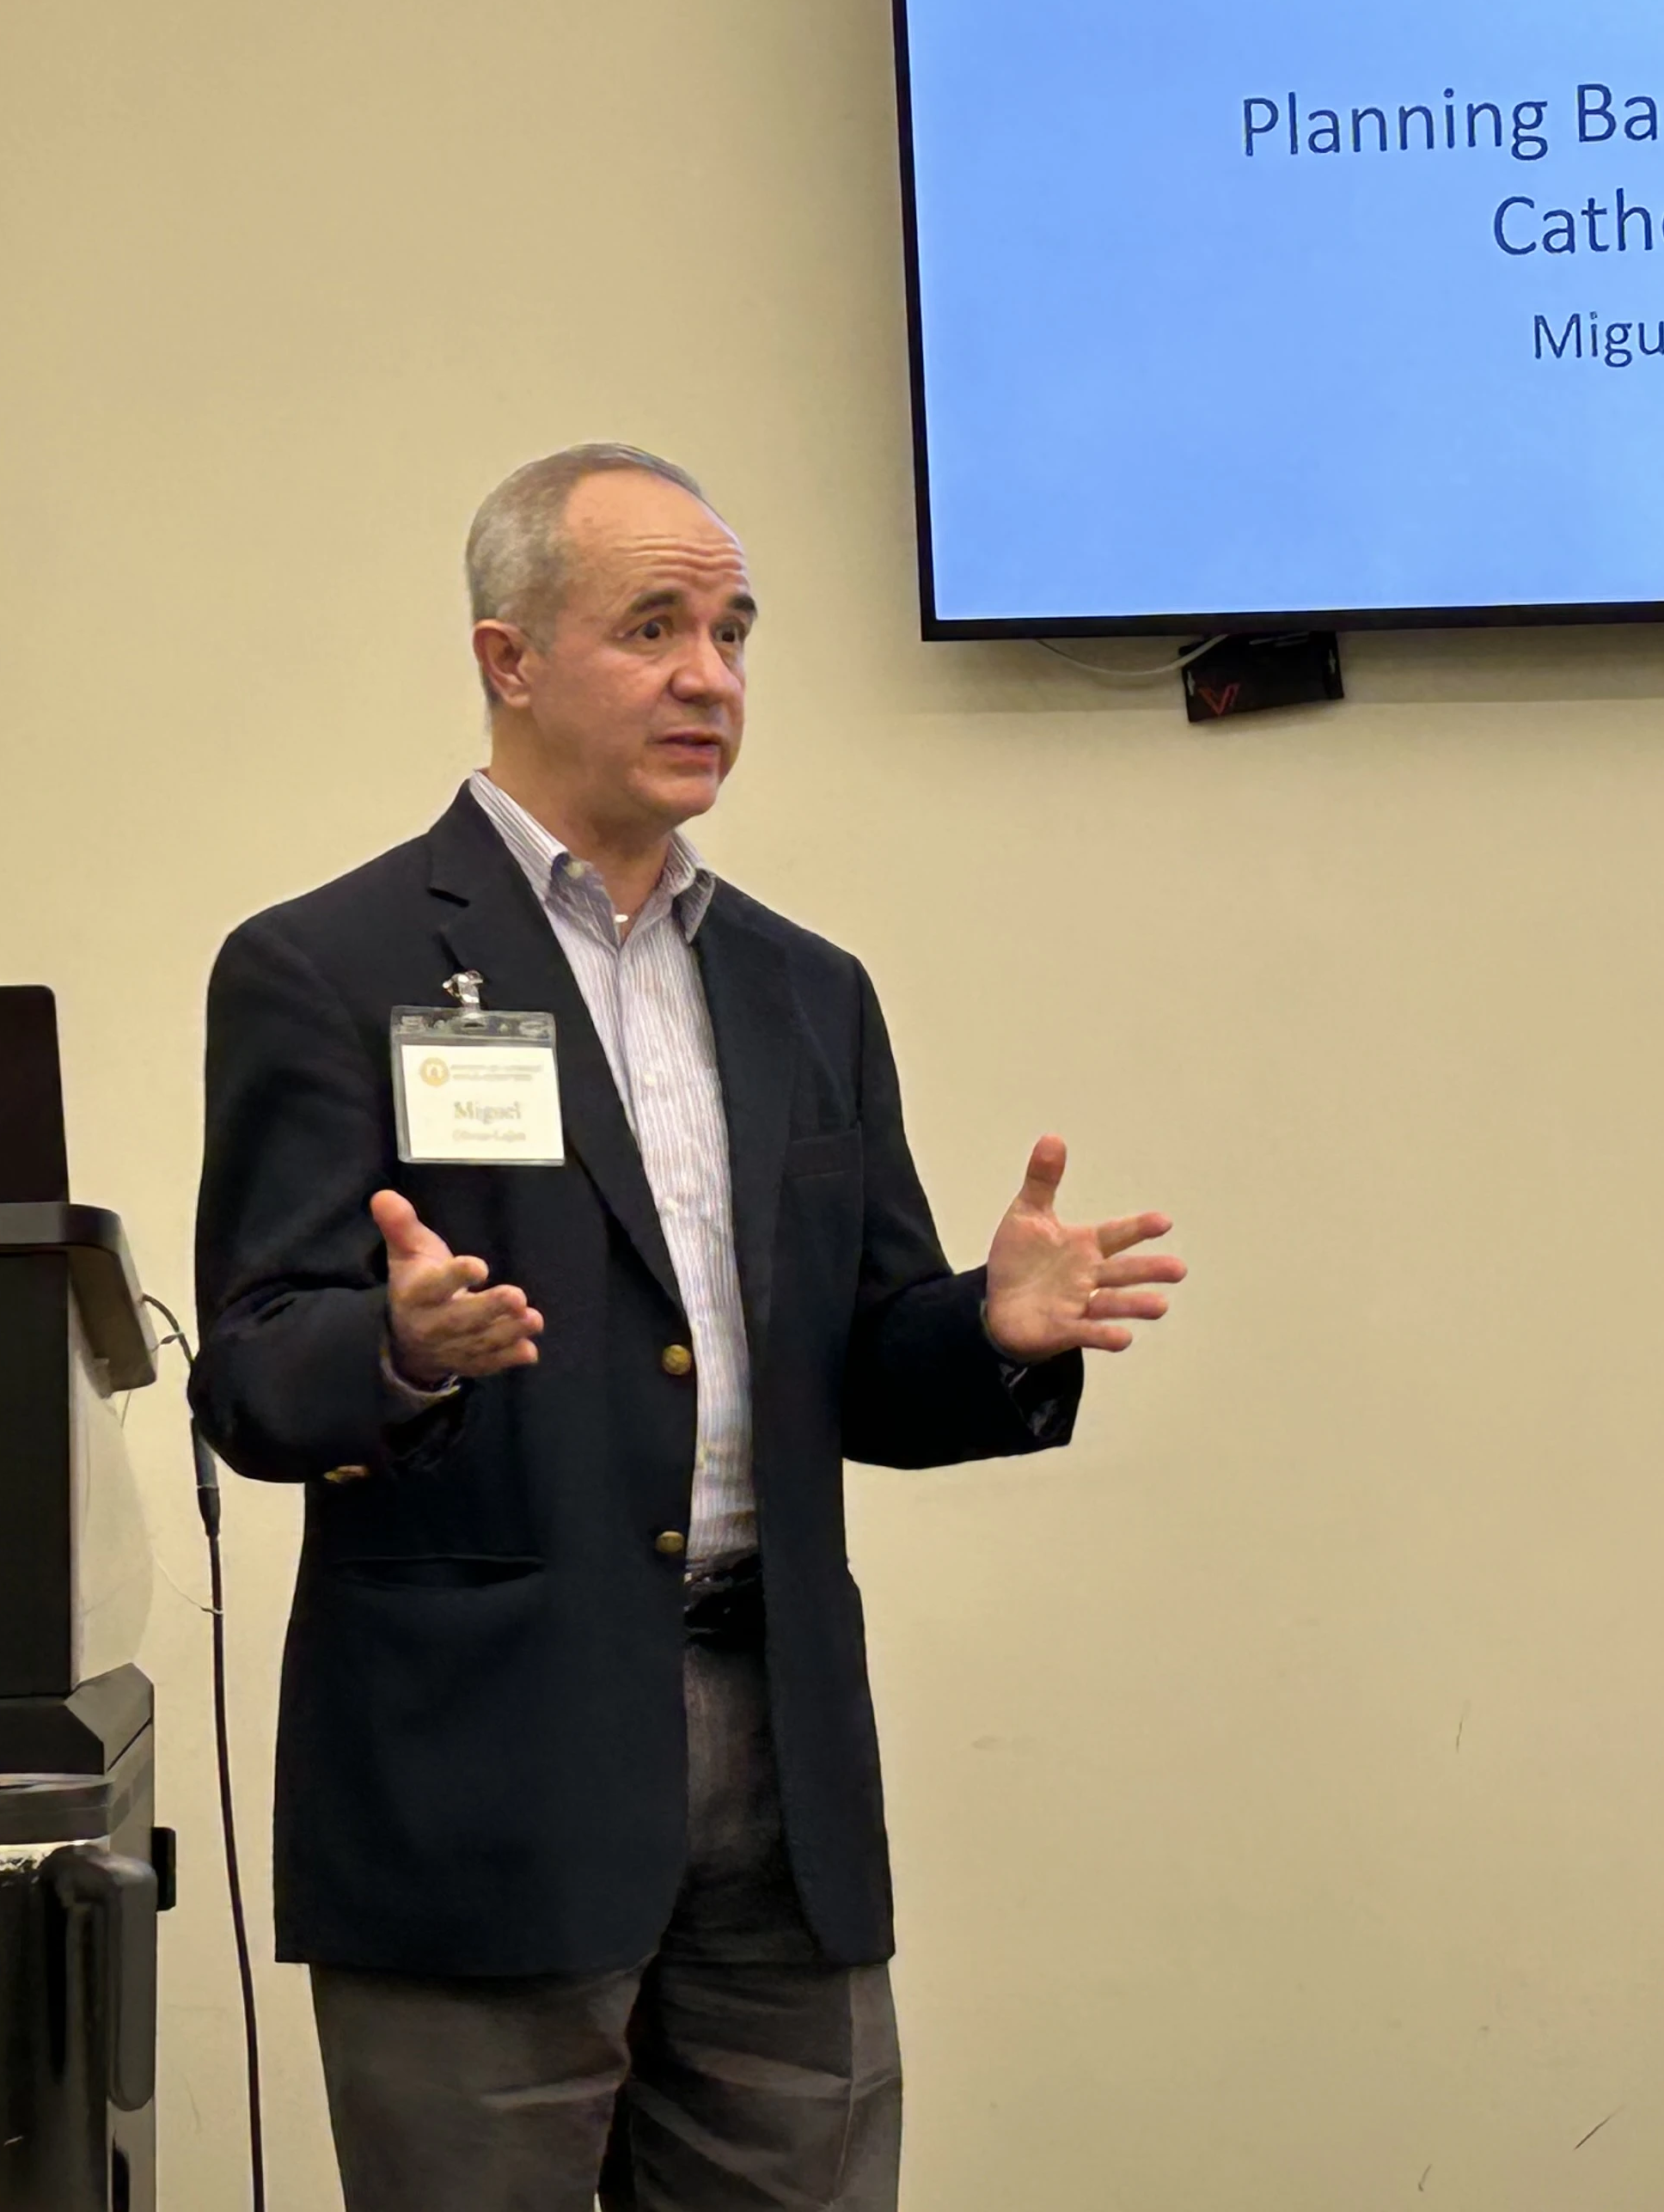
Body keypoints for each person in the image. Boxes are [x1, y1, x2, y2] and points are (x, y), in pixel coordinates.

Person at [189, 442, 1186, 2212]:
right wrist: (400, 1346)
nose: (709, 676)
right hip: (481, 1770)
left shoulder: (805, 988)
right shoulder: (328, 966)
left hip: (780, 1762)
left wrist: (994, 1327)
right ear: (508, 658)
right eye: (652, 627)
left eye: (732, 632)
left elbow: (866, 1364)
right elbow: (256, 1372)